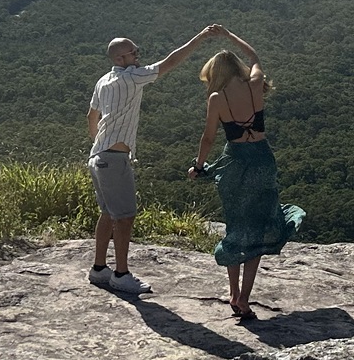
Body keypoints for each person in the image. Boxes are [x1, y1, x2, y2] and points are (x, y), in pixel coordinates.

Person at [87, 24, 220, 295]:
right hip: (114, 157)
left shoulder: (103, 81)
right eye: (133, 53)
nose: (138, 56)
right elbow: (170, 62)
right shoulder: (132, 77)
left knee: (107, 213)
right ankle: (121, 274)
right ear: (120, 59)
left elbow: (92, 117)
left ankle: (99, 268)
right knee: (124, 217)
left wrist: (99, 144)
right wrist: (201, 37)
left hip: (98, 155)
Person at [188, 27, 304, 318]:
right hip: (262, 161)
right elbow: (254, 55)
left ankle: (232, 292)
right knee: (259, 229)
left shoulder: (216, 98)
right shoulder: (255, 84)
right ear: (237, 68)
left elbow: (208, 137)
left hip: (235, 164)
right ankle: (244, 298)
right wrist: (228, 35)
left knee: (237, 229)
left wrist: (199, 166)